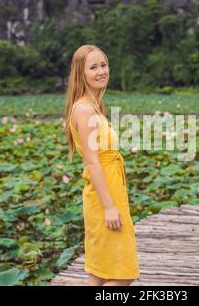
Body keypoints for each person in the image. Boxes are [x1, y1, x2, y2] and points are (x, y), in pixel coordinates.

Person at [63, 44, 140, 286]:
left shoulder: (94, 105)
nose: (101, 71)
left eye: (103, 65)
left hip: (109, 188)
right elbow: (92, 162)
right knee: (123, 275)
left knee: (100, 273)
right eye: (93, 67)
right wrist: (109, 206)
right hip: (104, 195)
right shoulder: (85, 110)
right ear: (80, 73)